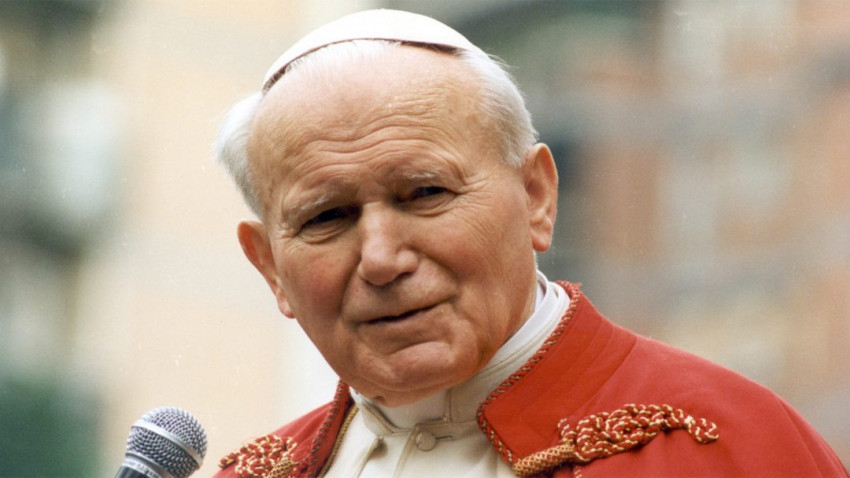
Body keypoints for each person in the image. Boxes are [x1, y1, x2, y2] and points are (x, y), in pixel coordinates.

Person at [212, 9, 847, 478]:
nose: (381, 259)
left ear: (536, 196)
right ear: (270, 268)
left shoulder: (731, 446)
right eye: (327, 217)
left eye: (425, 193)